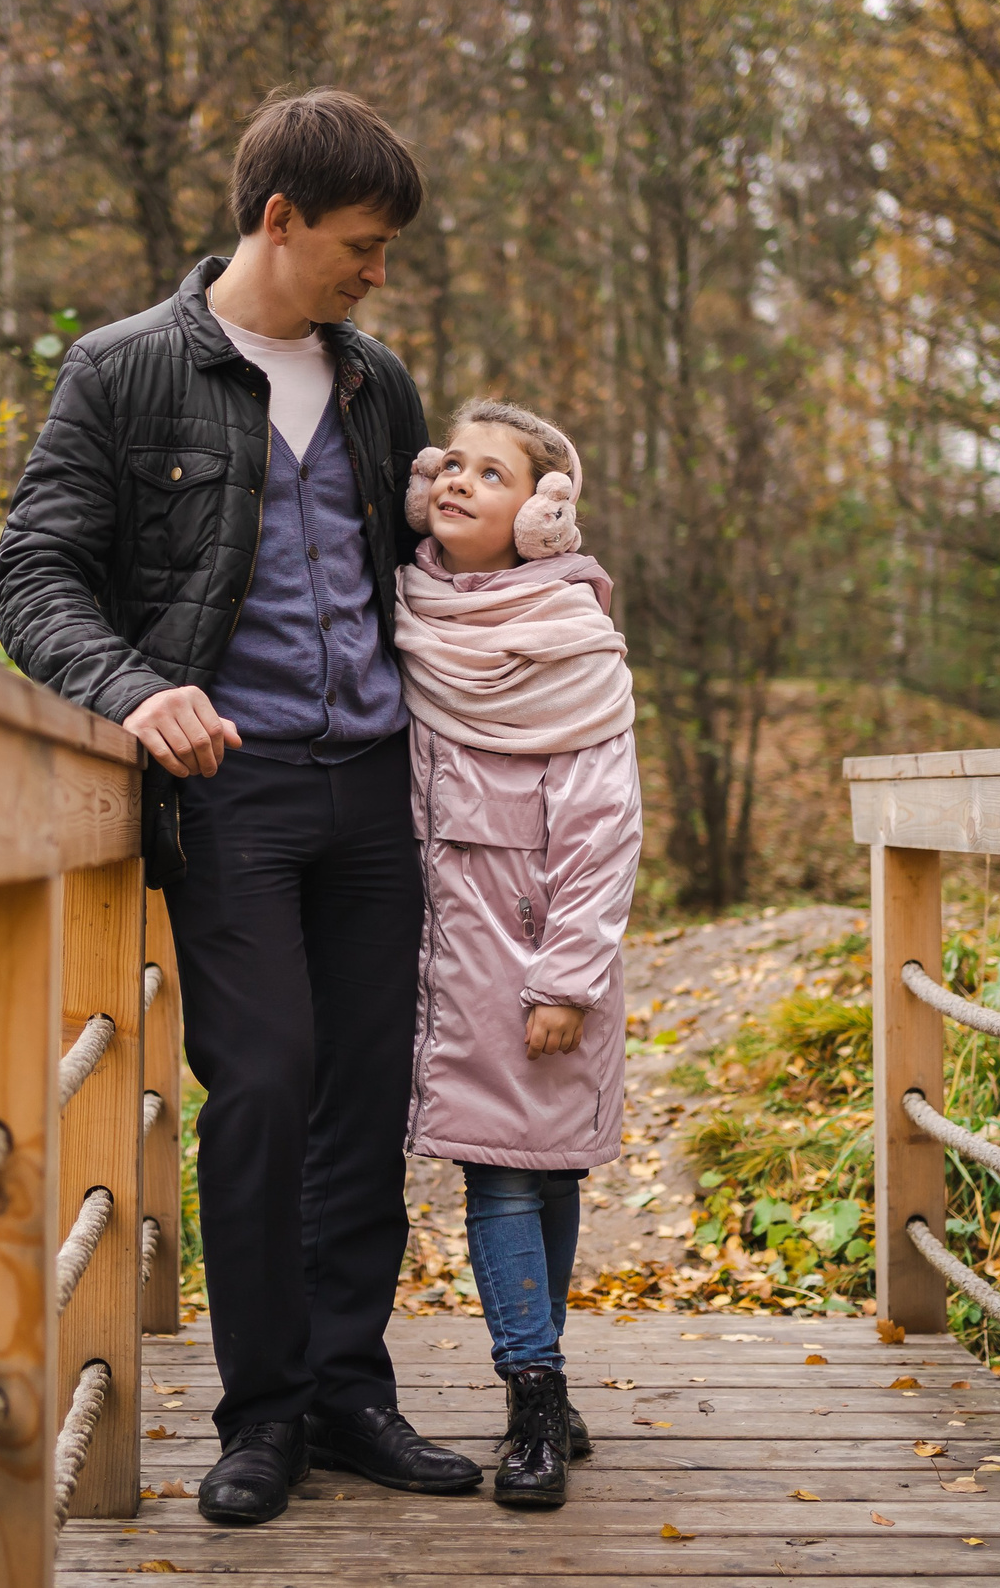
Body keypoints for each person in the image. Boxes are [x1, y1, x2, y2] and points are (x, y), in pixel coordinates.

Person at [0, 89, 482, 1525]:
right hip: (236, 793)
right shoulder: (127, 369)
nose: (377, 269)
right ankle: (261, 1412)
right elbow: (33, 574)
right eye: (361, 243)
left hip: (377, 792)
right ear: (279, 221)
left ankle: (350, 1390)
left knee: (360, 1097)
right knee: (262, 1083)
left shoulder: (378, 380)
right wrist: (136, 690)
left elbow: (429, 567)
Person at [394, 399, 643, 1509]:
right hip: (446, 941)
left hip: (541, 944)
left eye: (488, 476)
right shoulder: (411, 612)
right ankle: (542, 1386)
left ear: (542, 517)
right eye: (450, 463)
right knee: (511, 1167)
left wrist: (566, 980)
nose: (455, 481)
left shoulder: (572, 646)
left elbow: (602, 827)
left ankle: (532, 1398)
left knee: (532, 1168)